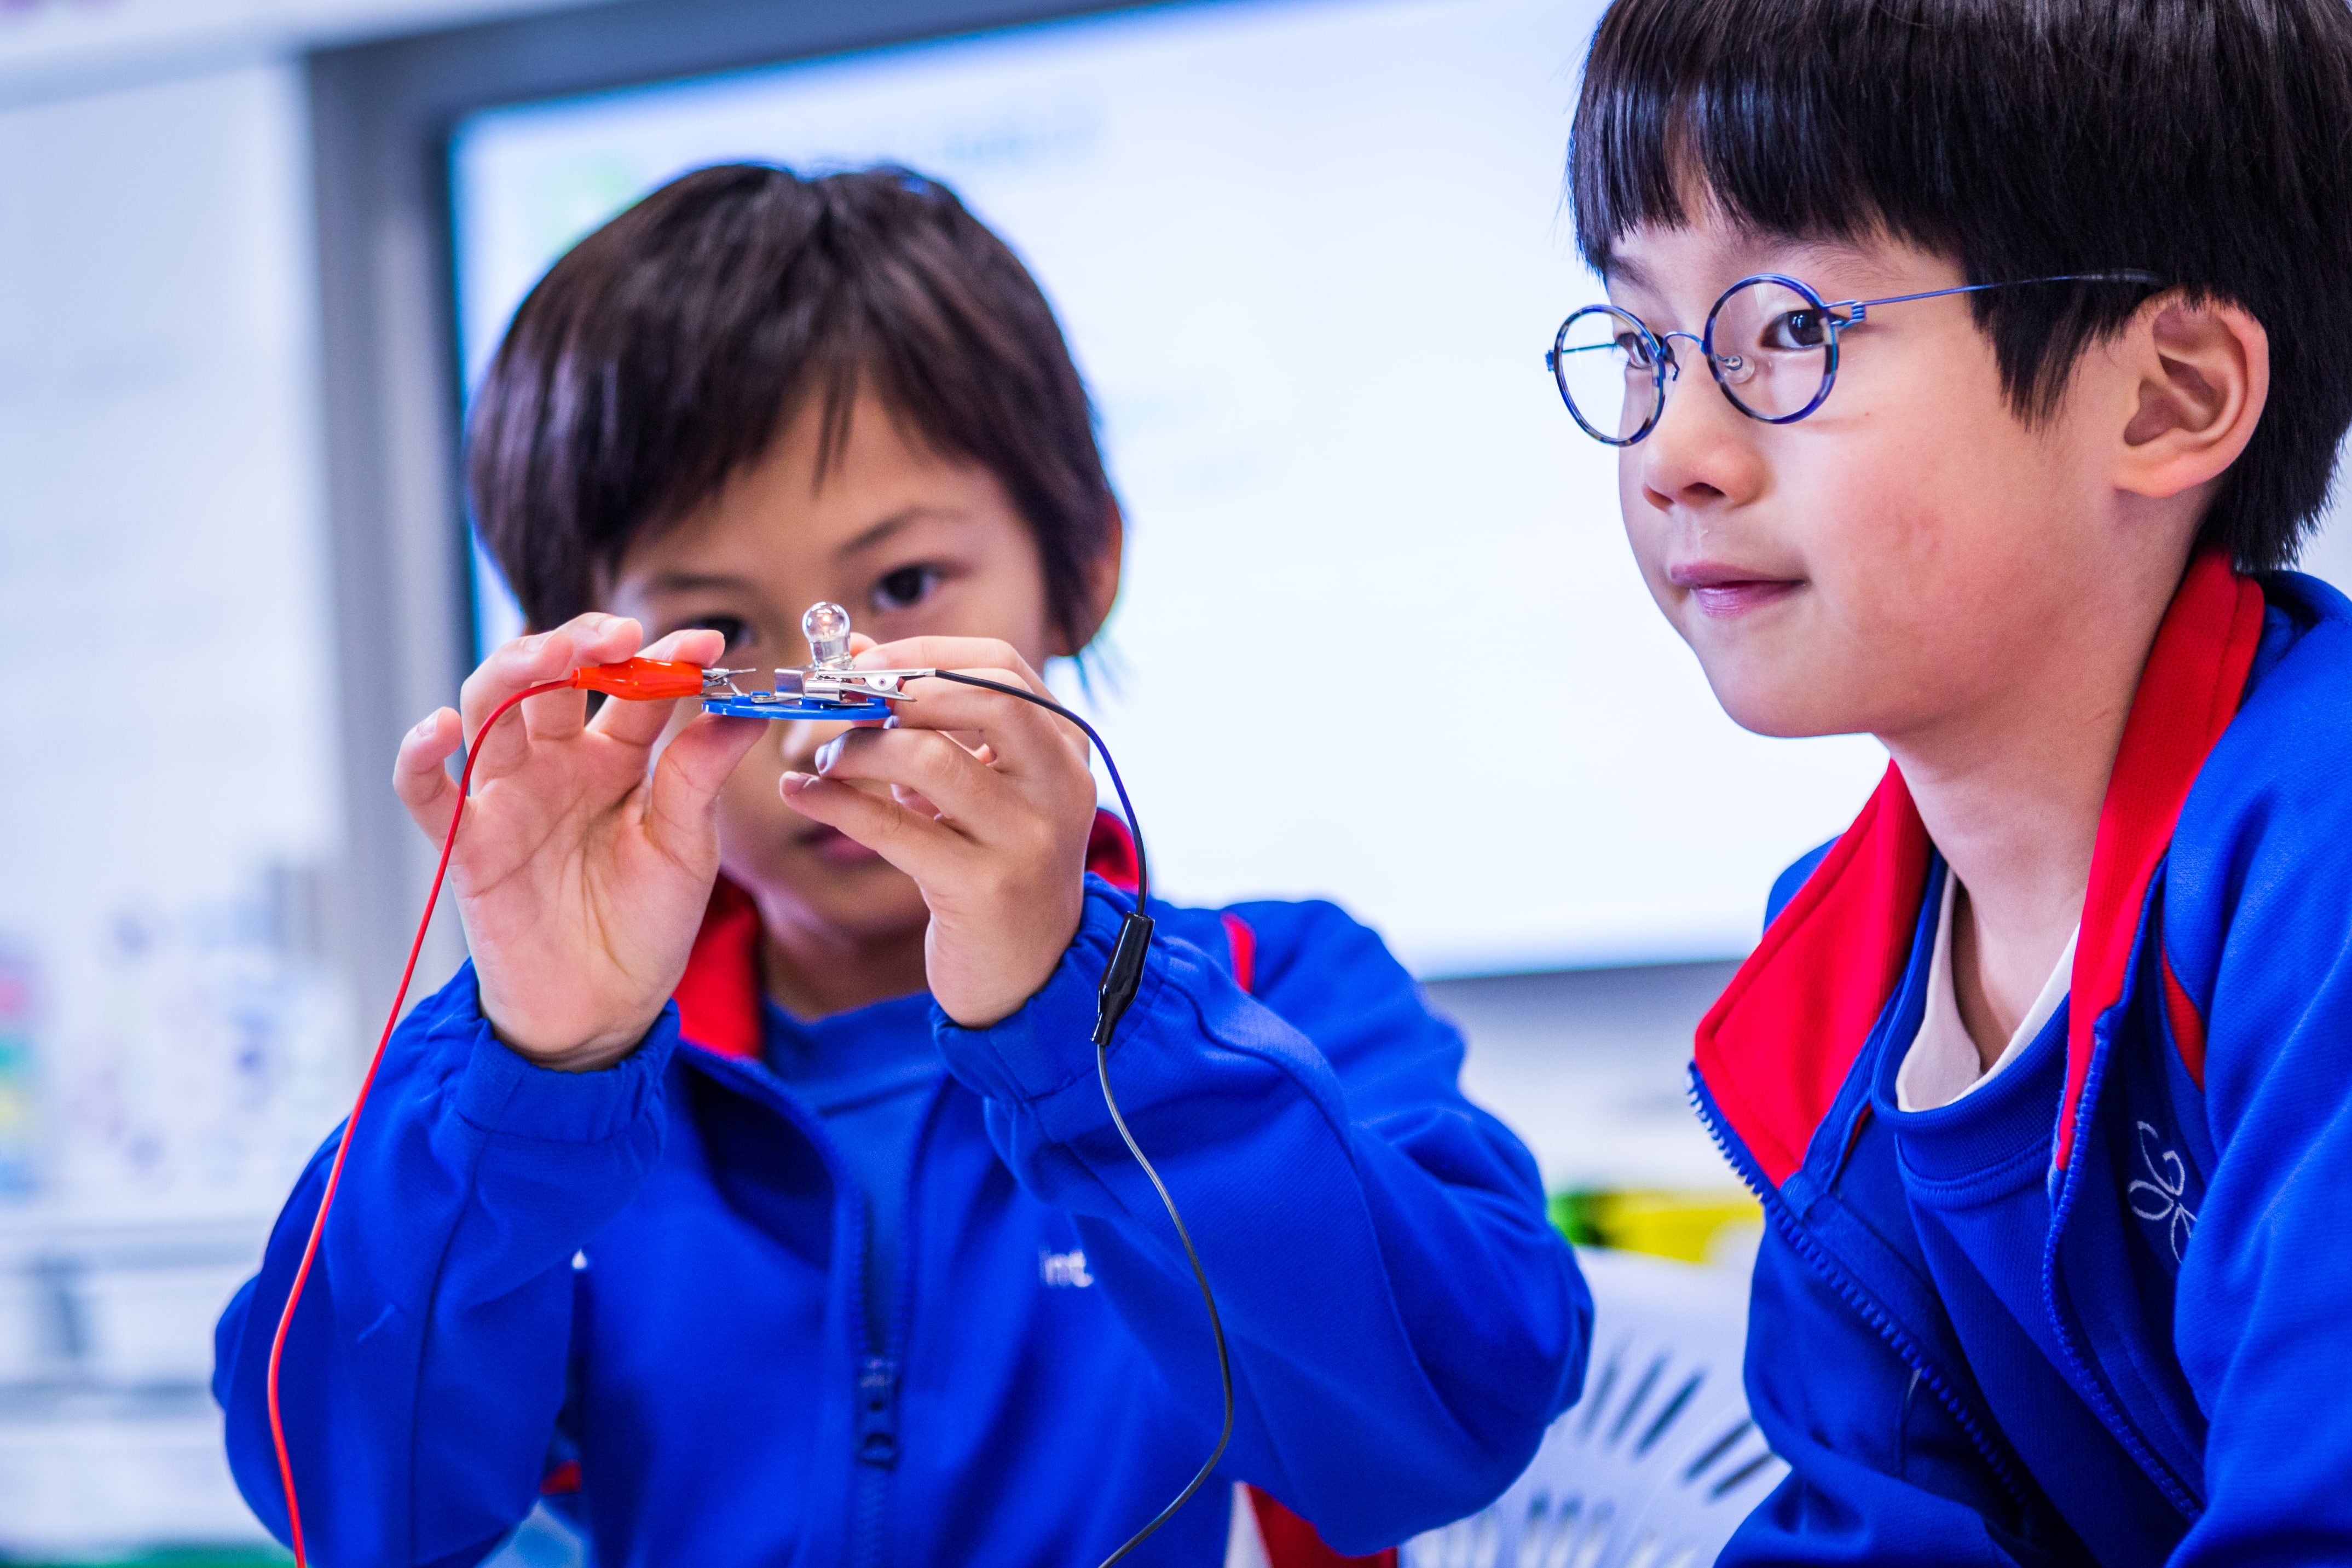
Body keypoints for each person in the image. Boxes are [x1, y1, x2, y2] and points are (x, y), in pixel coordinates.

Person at [211, 164, 1586, 1566]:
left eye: (908, 586)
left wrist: (1085, 1021)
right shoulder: (573, 1078)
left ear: (1082, 565)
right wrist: (534, 1067)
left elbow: (1448, 1428)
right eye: (715, 633)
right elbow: (357, 1516)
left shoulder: (1277, 991)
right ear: (598, 662)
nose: (828, 717)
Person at [1550, 0, 2352, 1561]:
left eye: (1795, 329)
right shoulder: (1838, 976)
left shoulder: (2316, 868)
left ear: (2169, 396)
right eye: (1642, 345)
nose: (1672, 453)